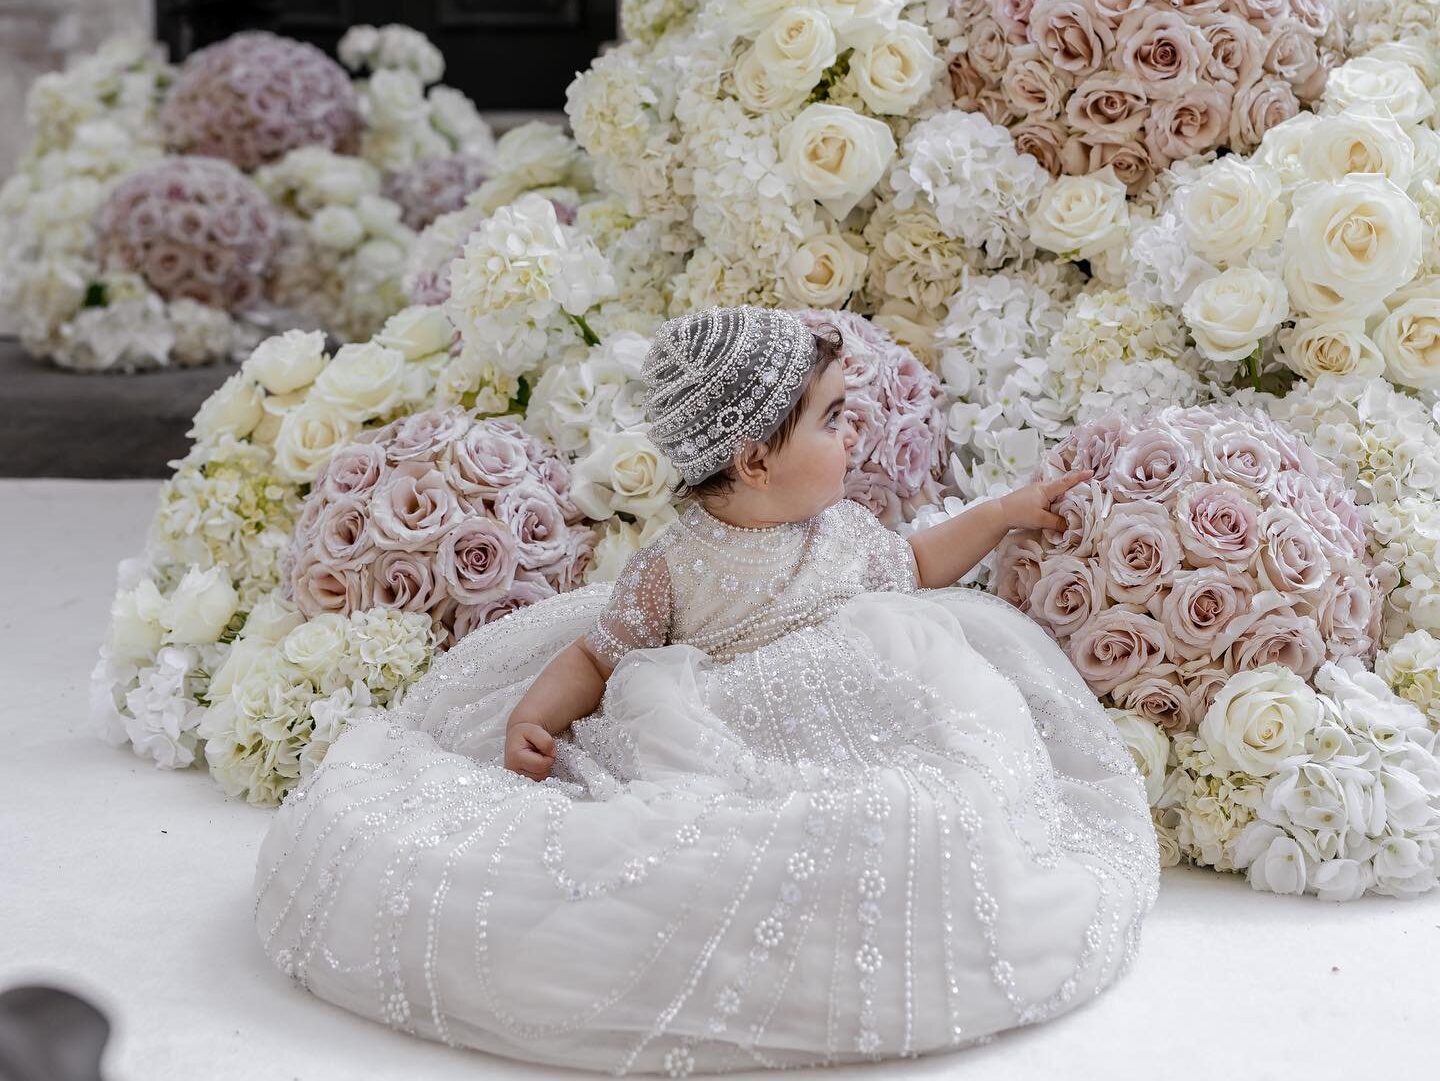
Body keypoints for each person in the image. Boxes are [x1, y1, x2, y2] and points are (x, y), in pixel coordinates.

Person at [255, 306, 1158, 1073]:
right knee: (727, 827)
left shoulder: (843, 533)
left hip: (859, 709)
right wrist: (536, 712)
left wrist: (1000, 514)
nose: (853, 437)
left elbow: (918, 564)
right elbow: (600, 655)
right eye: (832, 420)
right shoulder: (675, 567)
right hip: (725, 725)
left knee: (942, 780)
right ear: (755, 458)